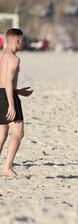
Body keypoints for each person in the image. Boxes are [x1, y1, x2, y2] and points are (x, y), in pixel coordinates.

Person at [0, 28, 33, 176]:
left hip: (1, 94)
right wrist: (12, 104)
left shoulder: (3, 56)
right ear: (17, 41)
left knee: (2, 134)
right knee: (18, 133)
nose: (23, 43)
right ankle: (7, 167)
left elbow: (3, 81)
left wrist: (19, 91)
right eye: (22, 41)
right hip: (8, 97)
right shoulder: (14, 59)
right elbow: (7, 81)